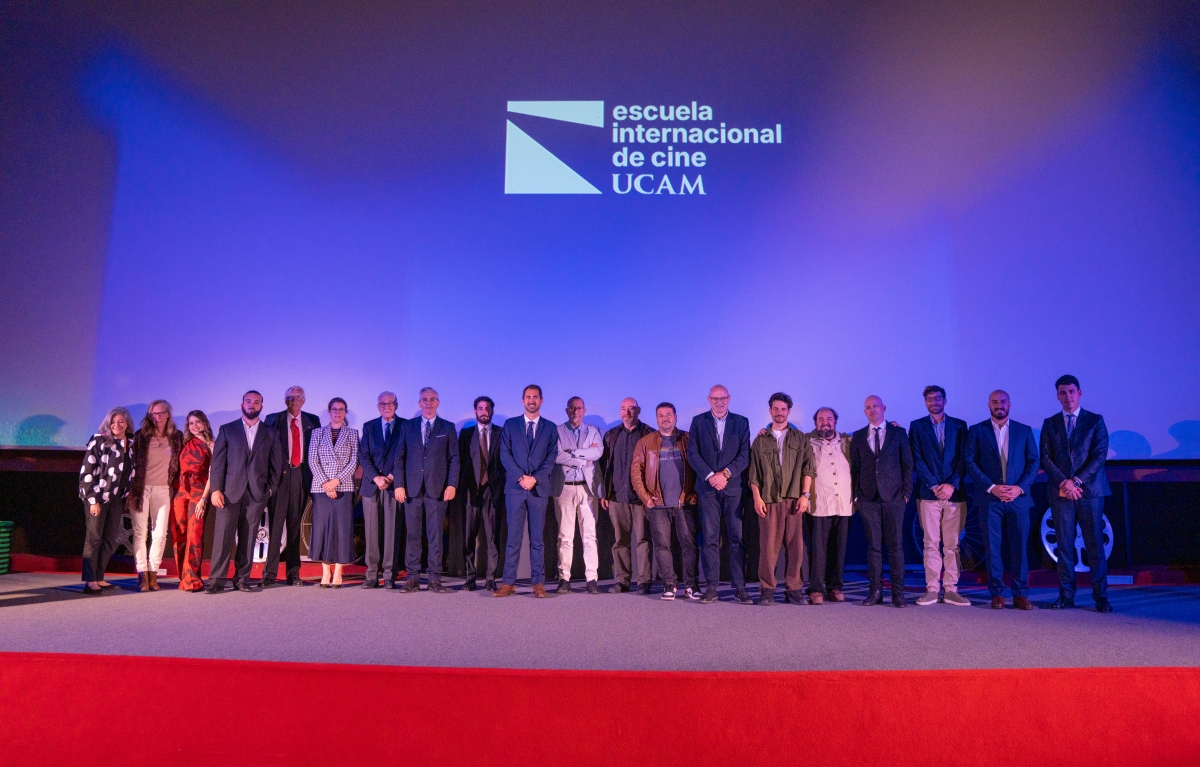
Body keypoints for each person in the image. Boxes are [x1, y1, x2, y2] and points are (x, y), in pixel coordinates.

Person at [1040, 375, 1113, 613]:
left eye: (1071, 392)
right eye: (1063, 392)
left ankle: (1101, 597)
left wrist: (1077, 481)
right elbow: (1045, 458)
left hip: (1089, 492)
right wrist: (1065, 482)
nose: (1067, 396)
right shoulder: (1050, 423)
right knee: (1064, 546)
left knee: (1094, 546)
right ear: (1057, 395)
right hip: (1061, 492)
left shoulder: (1095, 421)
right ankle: (1066, 596)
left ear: (1079, 393)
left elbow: (1099, 455)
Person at [965, 390, 1039, 610]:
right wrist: (992, 487)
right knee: (992, 548)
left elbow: (1033, 462)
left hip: (1018, 499)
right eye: (995, 402)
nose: (999, 405)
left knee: (1019, 549)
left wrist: (1019, 488)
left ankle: (1020, 594)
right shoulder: (977, 430)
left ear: (1010, 404)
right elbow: (970, 461)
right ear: (988, 404)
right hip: (990, 499)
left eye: (1003, 402)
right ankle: (997, 594)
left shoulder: (1024, 431)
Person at [206, 391, 283, 594]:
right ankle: (216, 580)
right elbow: (218, 464)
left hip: (256, 495)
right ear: (242, 404)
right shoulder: (227, 429)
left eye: (256, 402)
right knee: (222, 538)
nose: (252, 405)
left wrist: (270, 489)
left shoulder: (271, 432)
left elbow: (276, 465)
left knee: (249, 538)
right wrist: (215, 490)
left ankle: (242, 579)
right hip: (228, 494)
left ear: (261, 407)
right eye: (248, 401)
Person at [686, 385, 752, 604]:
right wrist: (710, 476)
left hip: (732, 488)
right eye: (715, 398)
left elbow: (744, 455)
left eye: (723, 398)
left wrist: (724, 475)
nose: (719, 402)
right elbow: (693, 453)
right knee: (710, 539)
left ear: (729, 399)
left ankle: (739, 587)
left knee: (737, 539)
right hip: (707, 489)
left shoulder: (741, 422)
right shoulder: (698, 422)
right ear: (709, 399)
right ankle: (712, 587)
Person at [748, 393, 815, 606]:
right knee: (768, 547)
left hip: (794, 499)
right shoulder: (760, 440)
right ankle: (767, 589)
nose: (779, 412)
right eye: (775, 409)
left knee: (796, 547)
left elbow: (808, 469)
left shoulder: (800, 438)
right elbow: (754, 474)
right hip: (769, 500)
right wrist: (757, 499)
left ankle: (794, 589)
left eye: (783, 409)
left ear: (788, 411)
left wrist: (805, 496)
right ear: (770, 411)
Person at [494, 384, 559, 598]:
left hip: (538, 491)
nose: (531, 400)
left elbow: (551, 458)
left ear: (541, 400)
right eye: (528, 397)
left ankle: (538, 583)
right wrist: (522, 477)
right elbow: (505, 455)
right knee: (513, 538)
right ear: (523, 400)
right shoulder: (510, 425)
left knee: (537, 540)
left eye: (535, 397)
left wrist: (535, 478)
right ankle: (508, 583)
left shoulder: (550, 428)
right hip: (515, 490)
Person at [908, 386, 970, 607]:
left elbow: (964, 458)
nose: (933, 401)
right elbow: (917, 458)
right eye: (929, 399)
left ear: (945, 400)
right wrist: (935, 485)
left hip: (955, 494)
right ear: (925, 402)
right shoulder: (917, 426)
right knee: (930, 544)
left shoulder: (960, 426)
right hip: (928, 493)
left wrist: (951, 484)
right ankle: (932, 590)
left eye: (937, 398)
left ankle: (951, 590)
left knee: (952, 545)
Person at [394, 387, 459, 593]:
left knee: (435, 535)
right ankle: (412, 578)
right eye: (424, 400)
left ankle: (434, 579)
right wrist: (399, 485)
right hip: (411, 490)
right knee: (412, 535)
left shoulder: (447, 427)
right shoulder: (408, 426)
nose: (428, 403)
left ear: (438, 403)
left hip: (438, 490)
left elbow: (454, 458)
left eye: (432, 399)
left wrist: (452, 484)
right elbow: (399, 457)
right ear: (419, 403)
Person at [850, 395, 913, 607]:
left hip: (894, 498)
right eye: (867, 407)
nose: (872, 410)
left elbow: (907, 465)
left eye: (875, 406)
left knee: (896, 547)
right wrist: (857, 495)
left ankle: (898, 593)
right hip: (868, 499)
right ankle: (875, 591)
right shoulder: (857, 436)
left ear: (884, 408)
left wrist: (906, 494)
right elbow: (855, 468)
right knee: (873, 548)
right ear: (864, 411)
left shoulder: (898, 432)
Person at [632, 402, 699, 600]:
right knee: (662, 546)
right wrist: (645, 497)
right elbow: (636, 471)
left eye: (668, 415)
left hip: (684, 502)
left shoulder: (688, 439)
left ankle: (691, 585)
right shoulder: (646, 442)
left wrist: (694, 493)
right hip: (658, 504)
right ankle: (669, 584)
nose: (665, 418)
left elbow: (699, 467)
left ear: (676, 417)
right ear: (656, 419)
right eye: (661, 415)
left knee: (689, 545)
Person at [263, 386, 321, 586]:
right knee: (276, 527)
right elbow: (265, 450)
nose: (293, 400)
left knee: (295, 527)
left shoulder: (313, 421)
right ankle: (269, 574)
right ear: (284, 400)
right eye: (289, 397)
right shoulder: (273, 419)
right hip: (280, 477)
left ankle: (293, 574)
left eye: (297, 397)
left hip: (300, 475)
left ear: (304, 400)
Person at [598, 398, 655, 594]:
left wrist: (650, 495)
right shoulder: (611, 435)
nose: (627, 413)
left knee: (643, 540)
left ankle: (644, 581)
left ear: (638, 410)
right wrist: (604, 492)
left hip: (641, 499)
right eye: (623, 409)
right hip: (616, 497)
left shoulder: (649, 434)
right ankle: (622, 581)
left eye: (631, 409)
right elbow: (606, 467)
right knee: (620, 541)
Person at [127, 399, 184, 592]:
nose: (157, 417)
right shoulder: (141, 436)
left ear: (168, 414)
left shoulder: (176, 437)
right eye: (153, 414)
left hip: (163, 490)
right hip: (140, 489)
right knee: (140, 533)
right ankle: (142, 575)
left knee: (159, 534)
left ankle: (153, 574)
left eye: (160, 413)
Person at [78, 407, 136, 594]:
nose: (116, 425)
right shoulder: (99, 441)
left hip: (117, 499)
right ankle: (90, 580)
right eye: (113, 421)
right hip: (97, 498)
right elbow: (87, 473)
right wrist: (93, 500)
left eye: (120, 421)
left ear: (127, 423)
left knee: (110, 539)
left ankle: (99, 577)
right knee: (94, 538)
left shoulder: (131, 444)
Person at [552, 397, 605, 594]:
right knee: (565, 537)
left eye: (579, 408)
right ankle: (564, 579)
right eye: (572, 408)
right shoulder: (557, 431)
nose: (576, 411)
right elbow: (557, 456)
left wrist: (572, 453)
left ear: (584, 410)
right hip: (564, 488)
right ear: (567, 410)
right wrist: (583, 458)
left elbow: (597, 453)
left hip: (587, 489)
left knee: (589, 536)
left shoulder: (593, 431)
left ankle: (591, 579)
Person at [308, 398, 359, 588]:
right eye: (334, 409)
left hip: (343, 487)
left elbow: (354, 461)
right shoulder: (317, 433)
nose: (337, 412)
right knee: (322, 529)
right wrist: (326, 484)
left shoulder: (353, 434)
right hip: (321, 488)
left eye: (341, 409)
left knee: (341, 529)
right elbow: (313, 460)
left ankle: (338, 571)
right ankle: (325, 572)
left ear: (345, 412)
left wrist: (336, 482)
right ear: (329, 411)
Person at [805, 408, 854, 604]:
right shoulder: (806, 441)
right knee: (818, 548)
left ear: (835, 421)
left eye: (829, 419)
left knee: (839, 547)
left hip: (843, 502)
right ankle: (816, 589)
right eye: (821, 419)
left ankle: (835, 587)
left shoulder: (848, 442)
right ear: (815, 422)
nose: (825, 422)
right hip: (819, 502)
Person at [359, 391, 405, 589]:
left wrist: (392, 476)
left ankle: (389, 575)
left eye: (390, 403)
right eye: (383, 404)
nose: (387, 406)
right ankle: (371, 575)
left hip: (395, 485)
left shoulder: (406, 426)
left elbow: (406, 454)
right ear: (378, 407)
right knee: (371, 533)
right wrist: (376, 477)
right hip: (372, 486)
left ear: (396, 405)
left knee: (391, 532)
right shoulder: (369, 426)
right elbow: (363, 456)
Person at [459, 396, 505, 591]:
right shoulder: (466, 433)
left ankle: (490, 579)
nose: (484, 411)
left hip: (492, 492)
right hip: (471, 491)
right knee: (469, 537)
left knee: (492, 537)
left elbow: (505, 463)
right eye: (480, 408)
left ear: (492, 411)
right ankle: (470, 578)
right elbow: (460, 462)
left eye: (487, 408)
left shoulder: (501, 433)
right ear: (475, 411)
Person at [171, 411, 214, 592]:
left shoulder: (213, 444)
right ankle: (183, 576)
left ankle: (192, 578)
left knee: (194, 534)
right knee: (179, 533)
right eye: (191, 423)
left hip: (199, 492)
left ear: (205, 423)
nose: (195, 426)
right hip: (180, 491)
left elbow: (214, 474)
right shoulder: (183, 443)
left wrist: (204, 498)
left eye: (198, 422)